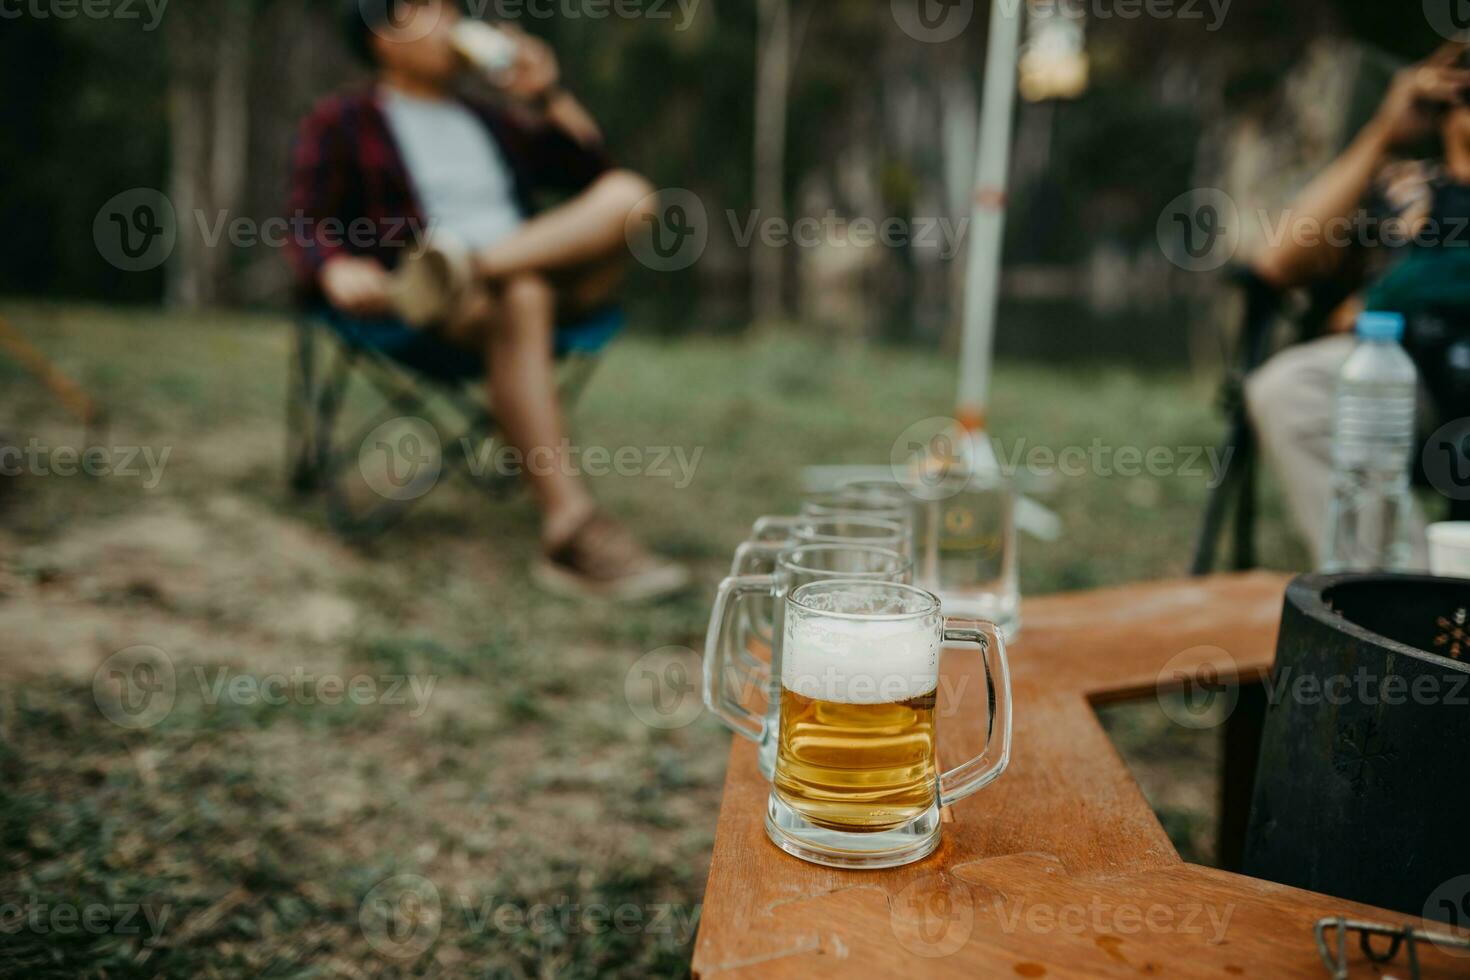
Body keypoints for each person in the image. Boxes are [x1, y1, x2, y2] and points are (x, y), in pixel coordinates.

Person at [286, 0, 689, 601]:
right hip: (443, 312)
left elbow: (588, 169)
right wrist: (336, 268)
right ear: (384, 39)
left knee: (629, 195)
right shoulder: (345, 119)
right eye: (432, 11)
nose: (452, 23)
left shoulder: (488, 119)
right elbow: (306, 218)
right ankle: (570, 526)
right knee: (520, 297)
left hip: (516, 269)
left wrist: (546, 93)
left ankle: (465, 267)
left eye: (454, 12)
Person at [1245, 41, 1470, 568]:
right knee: (1289, 387)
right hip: (1408, 378)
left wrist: (1396, 290)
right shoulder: (1405, 184)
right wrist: (1383, 133)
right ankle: (1402, 604)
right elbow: (1275, 263)